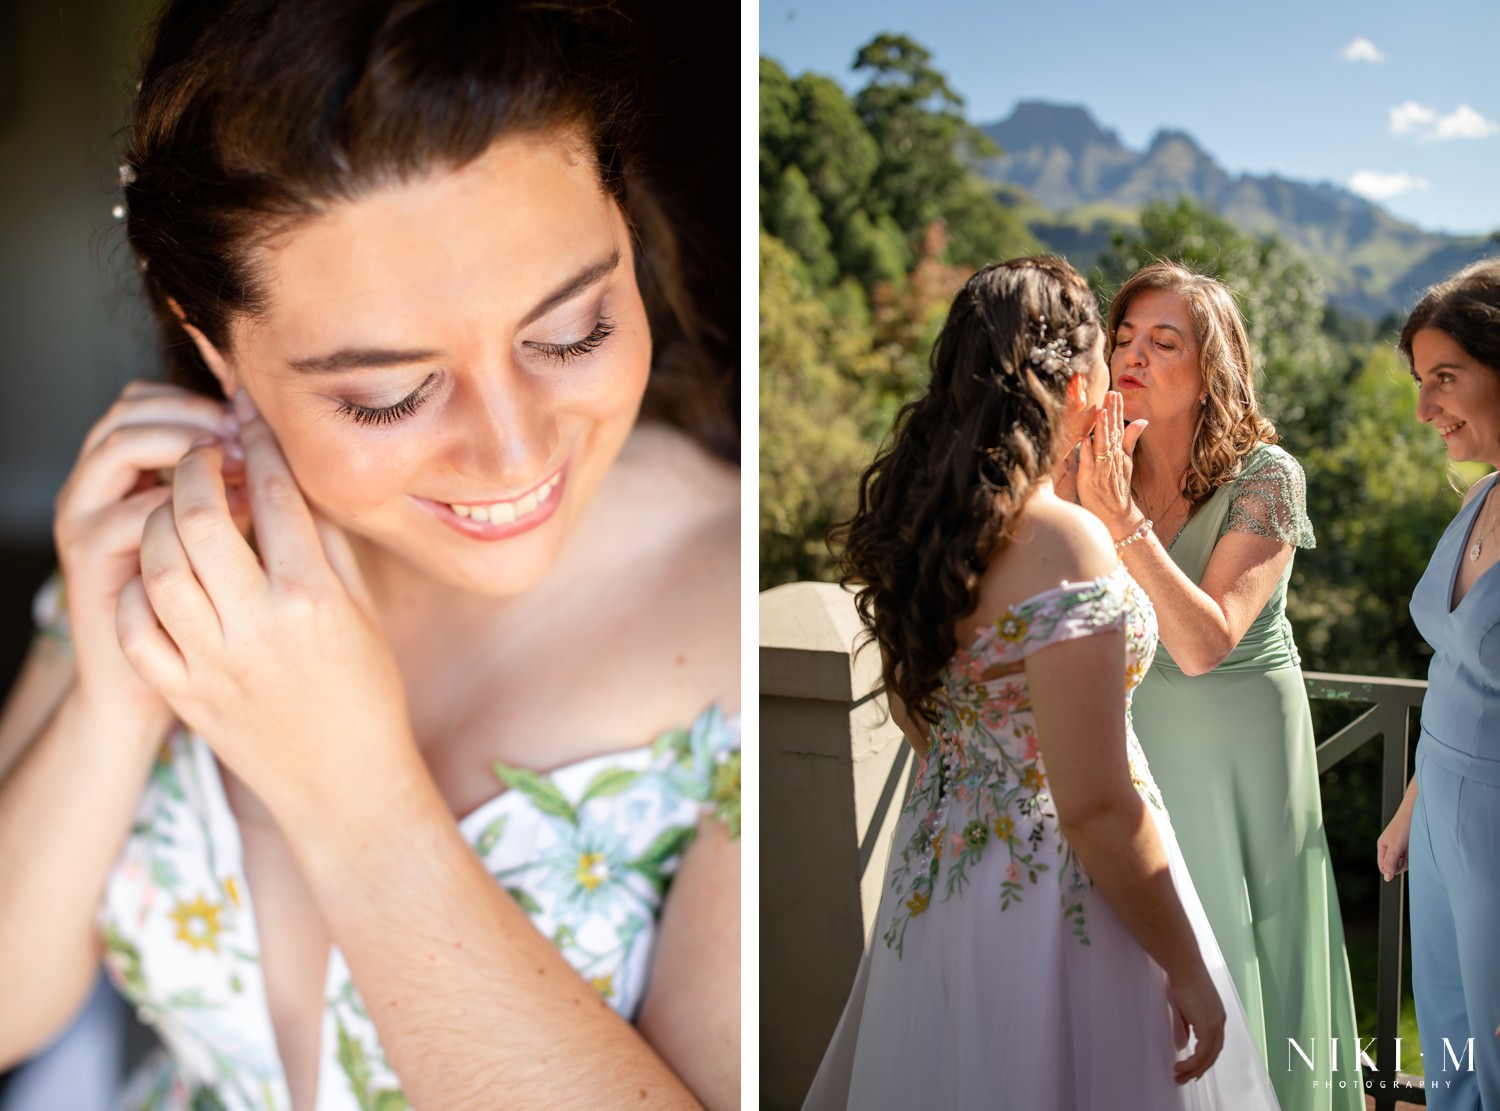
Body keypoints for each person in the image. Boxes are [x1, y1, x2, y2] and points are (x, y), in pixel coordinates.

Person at [0, 2, 740, 1108]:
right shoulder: (173, 537)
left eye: (572, 329)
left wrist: (359, 804)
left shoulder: (732, 614)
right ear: (211, 342)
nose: (513, 448)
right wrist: (112, 691)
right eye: (388, 396)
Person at [802, 256, 1277, 1109]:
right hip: (1059, 897)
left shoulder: (929, 526)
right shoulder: (1060, 540)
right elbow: (1095, 804)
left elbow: (923, 718)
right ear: (1074, 376)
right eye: (1108, 348)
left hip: (936, 883)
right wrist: (1186, 967)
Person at [1071, 261, 1360, 1110]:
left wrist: (1119, 519)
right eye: (1123, 336)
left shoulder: (1268, 476)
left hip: (1244, 745)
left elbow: (1202, 642)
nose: (1134, 354)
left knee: (1246, 938)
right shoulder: (1088, 462)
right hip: (1138, 739)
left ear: (1212, 370)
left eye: (1165, 341)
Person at [1376, 259, 1500, 1110]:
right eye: (1422, 382)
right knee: (1454, 1047)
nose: (1425, 410)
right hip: (1445, 809)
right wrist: (1418, 798)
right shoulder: (1483, 494)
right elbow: (1454, 665)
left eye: (1445, 378)